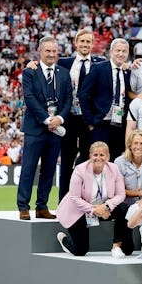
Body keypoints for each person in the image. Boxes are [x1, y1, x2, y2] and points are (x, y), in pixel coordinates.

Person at [17, 36, 72, 220]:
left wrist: (60, 118)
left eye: (54, 51)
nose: (51, 54)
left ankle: (42, 206)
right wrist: (48, 119)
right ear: (40, 52)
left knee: (48, 170)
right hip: (36, 128)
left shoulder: (63, 73)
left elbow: (68, 100)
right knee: (28, 169)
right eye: (47, 50)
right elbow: (29, 98)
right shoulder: (30, 72)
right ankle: (23, 206)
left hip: (55, 129)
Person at [57, 28, 106, 198]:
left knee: (88, 161)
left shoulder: (100, 63)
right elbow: (43, 63)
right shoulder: (63, 63)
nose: (85, 44)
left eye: (88, 42)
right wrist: (32, 63)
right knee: (66, 161)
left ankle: (85, 200)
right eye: (82, 41)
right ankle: (63, 200)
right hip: (68, 118)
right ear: (76, 43)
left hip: (89, 121)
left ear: (93, 45)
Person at [56, 142, 126, 257]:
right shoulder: (80, 170)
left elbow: (121, 194)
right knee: (80, 251)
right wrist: (94, 210)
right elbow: (74, 198)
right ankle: (63, 239)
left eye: (102, 155)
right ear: (90, 156)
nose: (98, 158)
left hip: (104, 208)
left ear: (108, 156)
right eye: (95, 155)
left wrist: (106, 206)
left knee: (123, 208)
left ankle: (116, 246)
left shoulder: (114, 168)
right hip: (81, 211)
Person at [78, 38, 131, 161]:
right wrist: (90, 121)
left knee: (116, 161)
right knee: (97, 161)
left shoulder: (128, 72)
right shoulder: (98, 68)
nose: (121, 54)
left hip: (120, 125)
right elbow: (83, 94)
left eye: (124, 51)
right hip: (101, 124)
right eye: (118, 50)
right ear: (111, 51)